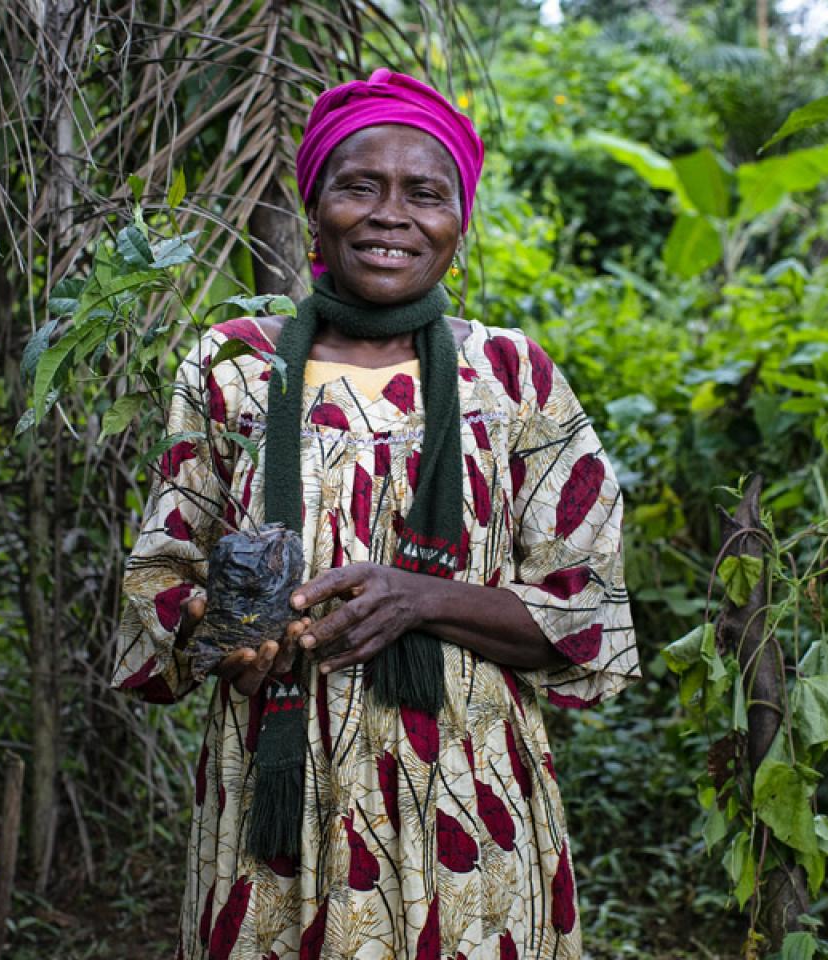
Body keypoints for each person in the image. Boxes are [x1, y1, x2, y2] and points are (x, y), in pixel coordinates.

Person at [112, 68, 636, 960]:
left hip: (470, 801)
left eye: (424, 193)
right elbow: (164, 572)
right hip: (274, 797)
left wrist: (420, 597)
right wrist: (220, 634)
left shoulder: (512, 377)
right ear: (314, 210)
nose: (391, 215)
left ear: (458, 222)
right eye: (360, 186)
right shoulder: (233, 366)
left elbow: (587, 612)